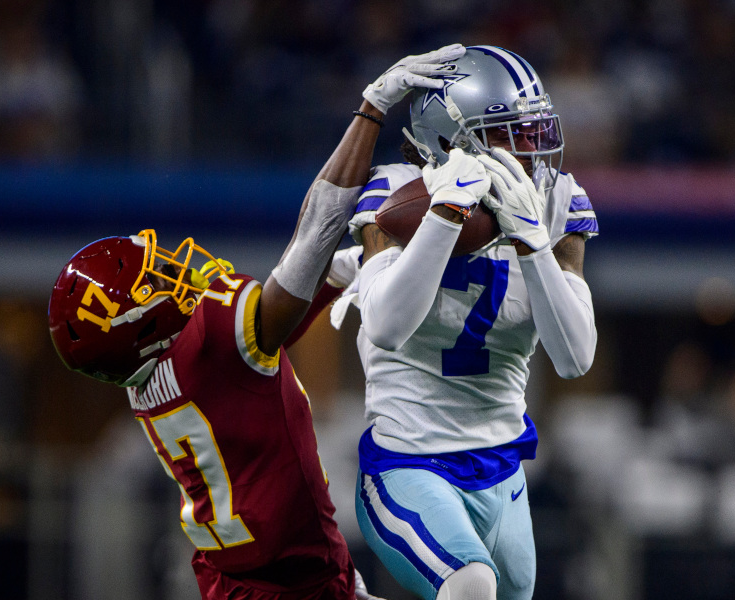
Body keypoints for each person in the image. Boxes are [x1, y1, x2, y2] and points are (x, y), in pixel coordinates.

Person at [47, 44, 467, 600]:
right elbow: (315, 234)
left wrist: (344, 273)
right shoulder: (209, 343)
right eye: (155, 282)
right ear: (136, 327)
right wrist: (371, 110)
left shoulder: (158, 375)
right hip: (286, 585)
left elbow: (269, 340)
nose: (176, 274)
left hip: (251, 579)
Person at [334, 45, 600, 600]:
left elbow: (575, 359)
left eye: (533, 131)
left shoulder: (555, 202)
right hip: (409, 462)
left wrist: (533, 244)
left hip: (503, 473)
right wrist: (445, 214)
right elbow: (384, 326)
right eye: (509, 134)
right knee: (470, 585)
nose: (531, 152)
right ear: (447, 140)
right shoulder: (396, 194)